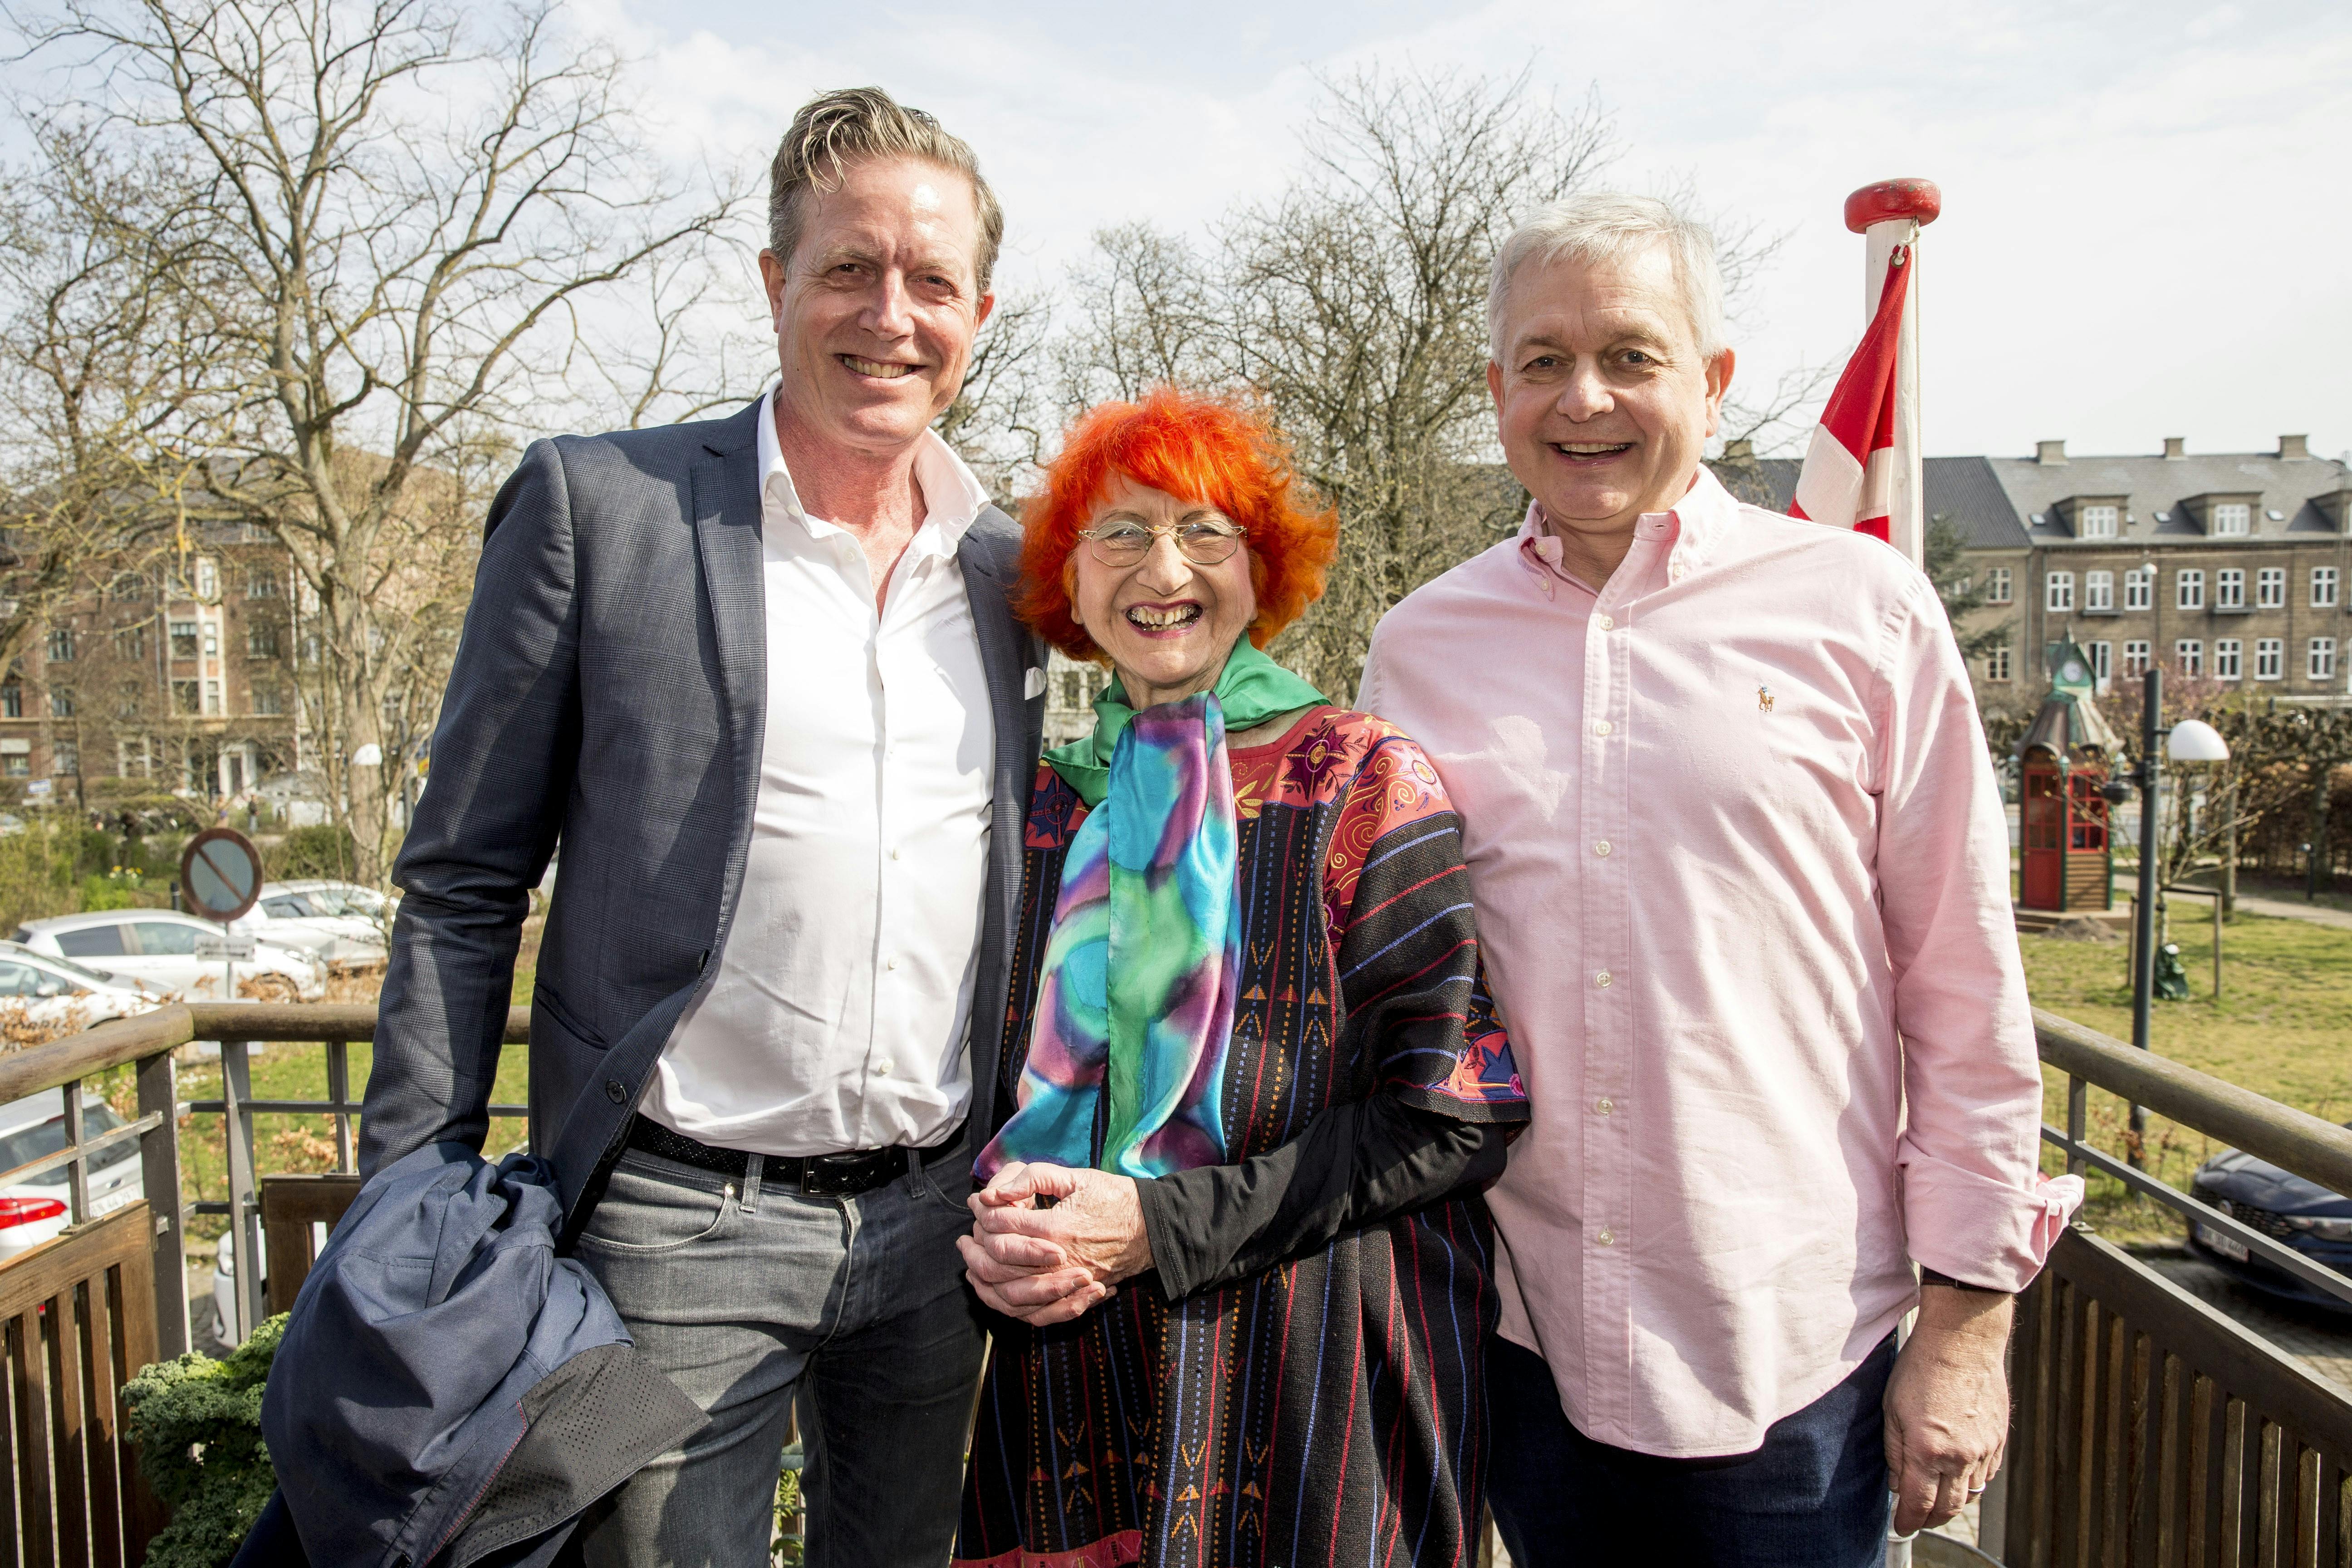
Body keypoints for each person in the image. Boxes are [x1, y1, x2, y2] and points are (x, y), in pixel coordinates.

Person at [359, 87, 1046, 1567]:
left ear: (980, 312)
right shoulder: (601, 508)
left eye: (932, 283)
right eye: (849, 269)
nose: (890, 315)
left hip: (940, 1231)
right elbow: (465, 880)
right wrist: (413, 1188)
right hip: (677, 1223)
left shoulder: (1015, 572)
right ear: (773, 283)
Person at [1359, 192, 2082, 1567]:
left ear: (1715, 380)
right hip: (1527, 1341)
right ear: (1494, 389)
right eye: (1543, 360)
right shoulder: (1420, 646)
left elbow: (1964, 987)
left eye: (1632, 355)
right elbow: (1402, 982)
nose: (1587, 398)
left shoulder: (1861, 612)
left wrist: (1970, 1325)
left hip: (1797, 1356)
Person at [949, 387, 1527, 1568]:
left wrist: (1160, 1226)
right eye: (1121, 532)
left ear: (1263, 571)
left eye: (1206, 531)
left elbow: (1455, 1118)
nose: (1164, 565)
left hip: (1319, 1374)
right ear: (1071, 577)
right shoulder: (1045, 800)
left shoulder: (1366, 782)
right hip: (1075, 1380)